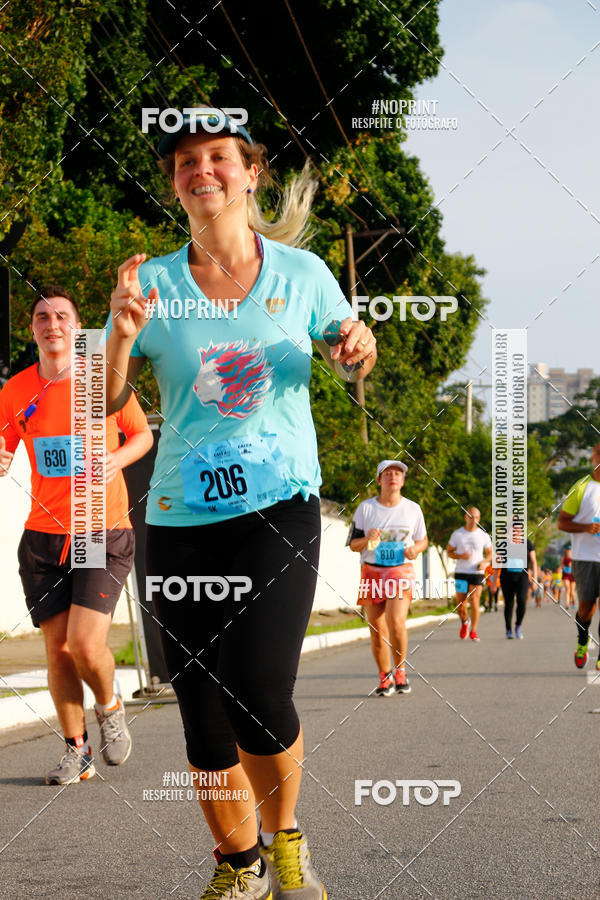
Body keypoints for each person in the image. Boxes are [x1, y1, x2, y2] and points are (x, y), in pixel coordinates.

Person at [105, 110, 377, 900]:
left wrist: (358, 346)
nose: (203, 170)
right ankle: (237, 865)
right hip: (180, 518)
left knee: (258, 686)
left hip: (278, 508)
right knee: (201, 706)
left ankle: (285, 838)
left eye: (219, 157)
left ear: (250, 172)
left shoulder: (302, 274)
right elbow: (108, 401)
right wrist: (120, 336)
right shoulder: (149, 283)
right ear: (175, 185)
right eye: (185, 161)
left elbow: (348, 344)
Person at [0, 286, 152, 784]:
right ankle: (76, 750)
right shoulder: (16, 390)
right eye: (42, 317)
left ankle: (108, 707)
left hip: (99, 529)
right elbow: (3, 446)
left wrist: (116, 458)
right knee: (58, 651)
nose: (52, 324)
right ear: (33, 330)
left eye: (62, 316)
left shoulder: (101, 378)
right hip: (43, 537)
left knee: (85, 646)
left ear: (77, 326)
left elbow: (142, 435)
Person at [349, 460, 428, 697]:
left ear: (403, 481)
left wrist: (417, 549)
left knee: (396, 621)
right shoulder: (366, 509)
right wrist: (368, 538)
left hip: (400, 570)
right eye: (388, 473)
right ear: (379, 479)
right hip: (372, 571)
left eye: (398, 473)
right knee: (377, 630)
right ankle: (385, 676)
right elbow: (353, 544)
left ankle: (400, 670)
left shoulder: (413, 509)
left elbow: (423, 539)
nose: (393, 477)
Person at [557, 443, 600, 670]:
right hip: (585, 558)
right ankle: (582, 641)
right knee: (586, 609)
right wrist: (585, 528)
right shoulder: (581, 487)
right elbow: (562, 522)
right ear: (593, 457)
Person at [446, 507, 492, 642]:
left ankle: (474, 631)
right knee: (461, 606)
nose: (474, 520)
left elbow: (490, 553)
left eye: (477, 518)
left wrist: (484, 563)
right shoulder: (457, 534)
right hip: (461, 572)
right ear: (465, 517)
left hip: (476, 572)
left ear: (479, 519)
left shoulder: (483, 535)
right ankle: (465, 621)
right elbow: (449, 551)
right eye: (471, 517)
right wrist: (460, 555)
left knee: (475, 600)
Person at [499, 524, 537, 639]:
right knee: (509, 604)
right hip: (506, 577)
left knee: (522, 602)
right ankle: (508, 630)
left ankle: (518, 625)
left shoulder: (527, 543)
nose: (516, 531)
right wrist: (494, 579)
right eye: (513, 529)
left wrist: (534, 580)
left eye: (519, 529)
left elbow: (534, 562)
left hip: (522, 577)